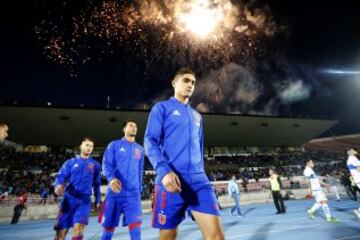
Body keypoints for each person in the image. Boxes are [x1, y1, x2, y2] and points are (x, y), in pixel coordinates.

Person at [144, 68, 224, 240]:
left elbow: (200, 148)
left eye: (193, 82)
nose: (190, 85)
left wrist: (201, 172)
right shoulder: (162, 108)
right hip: (172, 180)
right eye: (186, 80)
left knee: (216, 236)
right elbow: (150, 141)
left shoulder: (197, 116)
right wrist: (164, 171)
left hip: (199, 182)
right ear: (174, 83)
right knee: (168, 235)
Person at [99, 120, 144, 240]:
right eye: (130, 125)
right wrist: (111, 179)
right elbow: (106, 164)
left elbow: (140, 171)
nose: (134, 127)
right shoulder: (114, 145)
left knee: (136, 231)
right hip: (115, 193)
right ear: (124, 129)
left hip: (133, 195)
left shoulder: (140, 149)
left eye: (135, 126)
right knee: (107, 231)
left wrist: (139, 189)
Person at [53, 137, 101, 240]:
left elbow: (97, 184)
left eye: (91, 146)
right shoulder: (70, 162)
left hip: (84, 201)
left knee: (79, 230)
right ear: (81, 146)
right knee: (60, 235)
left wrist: (97, 199)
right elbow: (61, 176)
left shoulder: (96, 165)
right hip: (68, 200)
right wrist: (58, 185)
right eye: (87, 145)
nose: (89, 148)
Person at [346, 148, 360, 218]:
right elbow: (358, 169)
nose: (355, 151)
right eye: (353, 150)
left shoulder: (354, 158)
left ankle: (358, 210)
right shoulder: (351, 159)